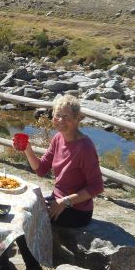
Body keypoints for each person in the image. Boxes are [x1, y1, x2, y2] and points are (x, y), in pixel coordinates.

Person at [20, 94, 104, 227]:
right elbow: (41, 169)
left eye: (66, 117)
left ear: (77, 119)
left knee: (28, 221)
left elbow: (97, 187)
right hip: (57, 199)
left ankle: (33, 248)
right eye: (57, 115)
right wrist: (27, 149)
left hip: (77, 210)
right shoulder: (58, 138)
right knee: (21, 209)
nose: (60, 120)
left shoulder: (85, 147)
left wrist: (65, 202)